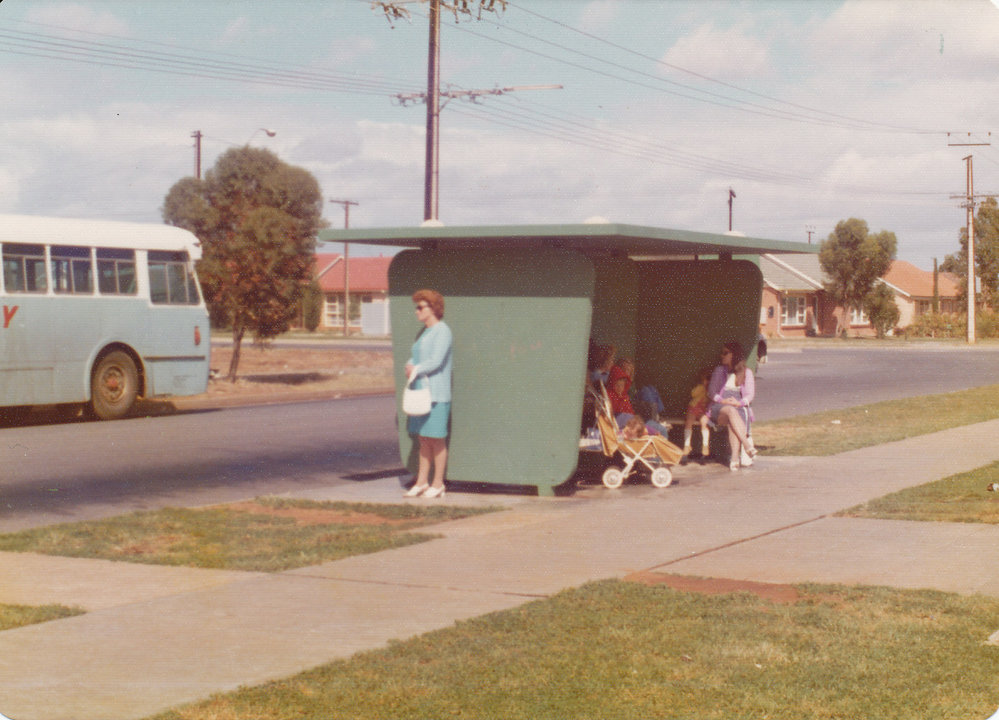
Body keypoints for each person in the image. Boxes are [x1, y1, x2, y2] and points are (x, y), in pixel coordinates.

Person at [403, 289, 453, 499]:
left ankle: (438, 483)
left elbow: (436, 360)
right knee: (424, 439)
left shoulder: (443, 331)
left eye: (420, 307)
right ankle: (422, 482)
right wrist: (409, 364)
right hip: (422, 393)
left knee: (436, 439)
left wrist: (415, 369)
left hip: (437, 395)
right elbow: (417, 358)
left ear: (433, 309)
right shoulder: (425, 332)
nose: (417, 312)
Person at [706, 341, 757, 472]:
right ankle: (746, 445)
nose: (722, 356)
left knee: (733, 417)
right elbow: (711, 392)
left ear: (734, 355)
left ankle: (734, 457)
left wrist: (739, 403)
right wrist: (723, 401)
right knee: (730, 410)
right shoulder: (719, 371)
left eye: (725, 353)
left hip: (737, 406)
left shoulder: (747, 372)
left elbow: (750, 395)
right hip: (719, 408)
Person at [681, 367, 712, 463]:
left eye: (709, 379)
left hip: (703, 410)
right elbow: (693, 394)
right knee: (689, 421)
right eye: (706, 379)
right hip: (693, 408)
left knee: (704, 423)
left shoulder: (711, 390)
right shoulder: (701, 387)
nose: (707, 382)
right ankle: (687, 445)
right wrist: (702, 387)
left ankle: (705, 445)